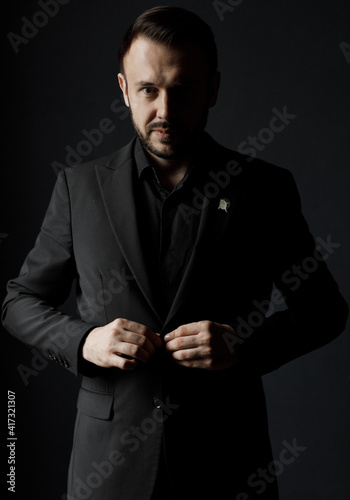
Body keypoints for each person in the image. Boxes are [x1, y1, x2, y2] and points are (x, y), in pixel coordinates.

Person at [2, 6, 348, 500]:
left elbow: (326, 310)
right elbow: (18, 302)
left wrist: (244, 346)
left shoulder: (264, 189)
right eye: (148, 89)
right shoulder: (78, 188)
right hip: (108, 470)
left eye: (183, 89)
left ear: (212, 89)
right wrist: (85, 342)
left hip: (229, 464)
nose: (164, 110)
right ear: (124, 89)